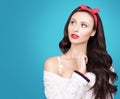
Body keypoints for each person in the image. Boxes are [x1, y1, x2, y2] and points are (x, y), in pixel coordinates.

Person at [43, 4, 118, 99]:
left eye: (83, 25)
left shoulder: (104, 65)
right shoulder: (52, 64)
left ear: (93, 32)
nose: (75, 29)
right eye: (73, 22)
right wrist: (80, 73)